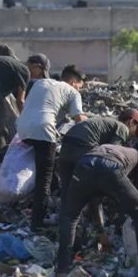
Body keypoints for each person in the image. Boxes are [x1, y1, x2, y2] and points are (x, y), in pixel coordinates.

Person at [57, 145, 138, 277]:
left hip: (83, 165)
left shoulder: (116, 150)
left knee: (70, 216)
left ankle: (61, 270)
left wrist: (101, 233)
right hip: (109, 168)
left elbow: (95, 201)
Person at [17, 65, 87, 230]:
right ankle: (38, 224)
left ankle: (36, 207)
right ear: (73, 81)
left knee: (44, 166)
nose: (79, 90)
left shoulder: (41, 83)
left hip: (22, 129)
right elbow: (79, 120)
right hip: (43, 130)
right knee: (44, 180)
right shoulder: (73, 92)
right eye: (79, 86)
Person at [58, 109, 138, 225]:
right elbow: (110, 156)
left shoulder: (106, 124)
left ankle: (63, 227)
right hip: (83, 145)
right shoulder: (122, 128)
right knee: (96, 187)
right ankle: (98, 227)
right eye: (136, 131)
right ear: (131, 122)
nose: (133, 136)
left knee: (67, 193)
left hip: (66, 147)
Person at [0, 55, 29, 152]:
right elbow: (20, 101)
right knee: (0, 127)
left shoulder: (11, 66)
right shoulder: (25, 71)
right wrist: (26, 122)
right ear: (37, 68)